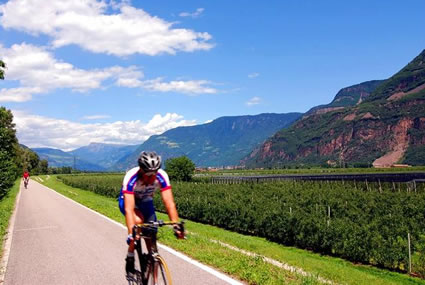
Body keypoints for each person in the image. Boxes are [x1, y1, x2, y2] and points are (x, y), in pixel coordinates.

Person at [118, 151, 184, 276]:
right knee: (138, 221)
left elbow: (169, 202)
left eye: (153, 175)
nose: (150, 178)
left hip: (146, 201)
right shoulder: (131, 177)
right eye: (147, 175)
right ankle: (130, 255)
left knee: (152, 235)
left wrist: (176, 225)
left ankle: (151, 268)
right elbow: (129, 208)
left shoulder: (162, 176)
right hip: (129, 201)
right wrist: (131, 233)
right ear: (141, 171)